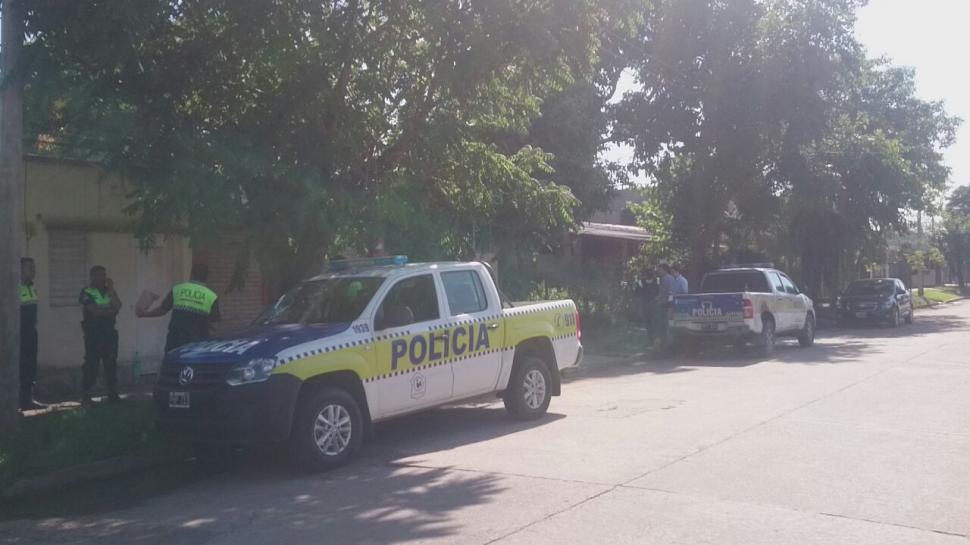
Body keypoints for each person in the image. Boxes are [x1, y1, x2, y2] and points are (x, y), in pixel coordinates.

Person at [138, 264, 220, 352]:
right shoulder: (211, 296)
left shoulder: (177, 289)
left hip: (176, 340)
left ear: (191, 274)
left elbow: (162, 310)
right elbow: (215, 326)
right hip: (198, 342)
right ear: (207, 278)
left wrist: (145, 314)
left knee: (172, 360)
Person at [80, 265, 122, 404]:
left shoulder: (109, 291)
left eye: (104, 275)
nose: (103, 278)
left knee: (111, 363)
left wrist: (111, 290)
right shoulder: (87, 292)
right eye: (99, 275)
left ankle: (112, 393)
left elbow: (118, 305)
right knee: (91, 363)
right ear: (92, 277)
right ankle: (87, 395)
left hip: (109, 332)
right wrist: (111, 310)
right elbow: (95, 311)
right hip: (94, 334)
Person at [19, 257, 45, 411]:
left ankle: (27, 400)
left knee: (30, 365)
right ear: (21, 269)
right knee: (19, 366)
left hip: (30, 332)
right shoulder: (13, 288)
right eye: (30, 268)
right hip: (18, 334)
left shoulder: (32, 287)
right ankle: (14, 403)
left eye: (34, 268)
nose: (34, 271)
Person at [655, 263, 676, 348]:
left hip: (666, 305)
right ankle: (663, 343)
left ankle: (668, 344)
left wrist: (669, 305)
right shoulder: (664, 278)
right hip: (663, 304)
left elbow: (671, 293)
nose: (658, 271)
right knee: (663, 324)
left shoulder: (668, 279)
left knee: (666, 325)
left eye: (660, 270)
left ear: (664, 270)